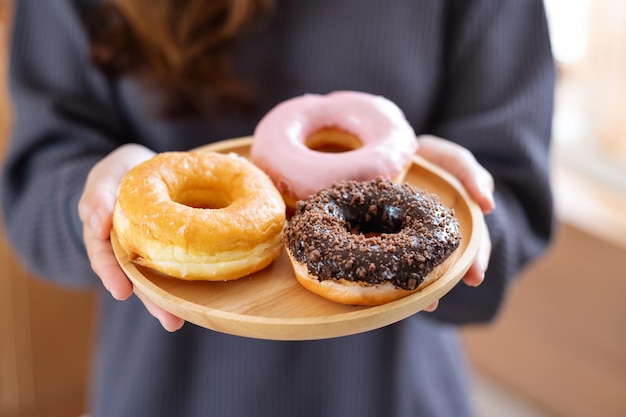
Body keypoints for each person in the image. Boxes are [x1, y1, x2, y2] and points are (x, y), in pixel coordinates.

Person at [1, 0, 555, 416]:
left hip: (391, 391)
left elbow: (514, 197)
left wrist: (462, 218)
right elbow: (34, 183)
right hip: (162, 389)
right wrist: (99, 205)